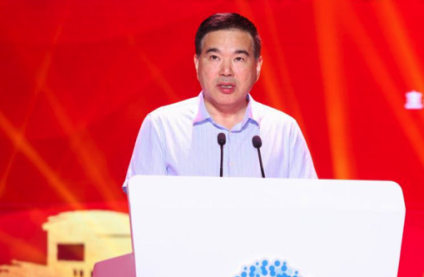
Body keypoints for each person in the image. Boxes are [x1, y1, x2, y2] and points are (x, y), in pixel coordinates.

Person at [123, 13, 316, 191]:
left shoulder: (284, 130)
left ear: (257, 67)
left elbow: (308, 205)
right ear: (197, 63)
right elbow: (143, 204)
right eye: (214, 57)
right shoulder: (162, 126)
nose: (226, 71)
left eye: (238, 59)